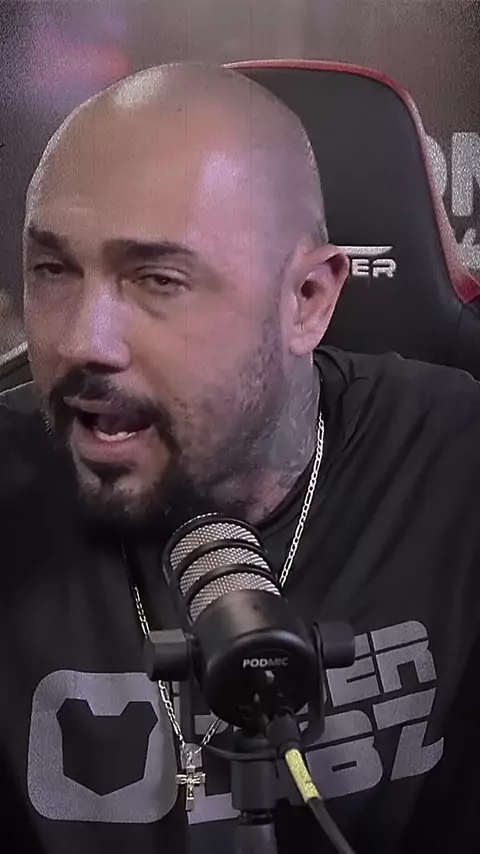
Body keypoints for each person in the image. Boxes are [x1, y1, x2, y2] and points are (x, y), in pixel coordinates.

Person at [0, 62, 479, 854]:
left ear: (307, 301)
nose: (82, 340)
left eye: (157, 279)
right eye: (54, 269)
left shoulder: (454, 464)